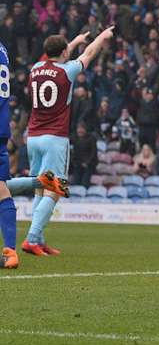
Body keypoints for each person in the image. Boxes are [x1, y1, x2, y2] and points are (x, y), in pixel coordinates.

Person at [22, 26, 114, 257]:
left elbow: (56, 55)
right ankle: (32, 238)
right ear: (64, 53)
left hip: (33, 137)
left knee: (40, 189)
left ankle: (39, 239)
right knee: (55, 189)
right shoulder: (67, 71)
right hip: (55, 138)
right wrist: (102, 36)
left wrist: (73, 41)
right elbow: (89, 54)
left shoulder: (35, 68)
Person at [0, 41, 69, 269]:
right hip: (3, 126)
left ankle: (28, 240)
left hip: (37, 132)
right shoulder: (3, 49)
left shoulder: (39, 67)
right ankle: (12, 251)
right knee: (1, 187)